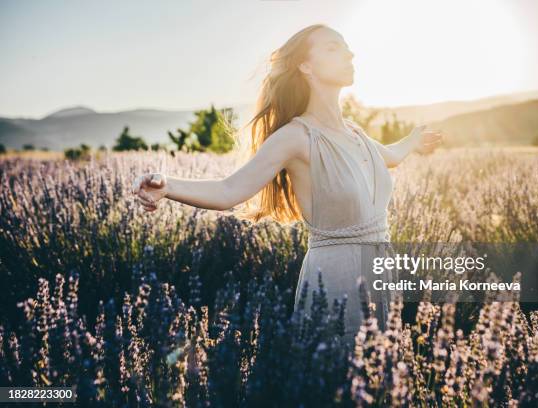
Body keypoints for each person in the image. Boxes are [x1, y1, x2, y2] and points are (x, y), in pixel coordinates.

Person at [132, 24, 443, 346]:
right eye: (333, 48)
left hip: (380, 271)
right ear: (305, 67)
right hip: (336, 279)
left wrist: (412, 141)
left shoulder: (354, 132)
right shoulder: (296, 137)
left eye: (347, 47)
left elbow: (389, 157)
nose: (349, 54)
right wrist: (168, 186)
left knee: (380, 384)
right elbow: (229, 191)